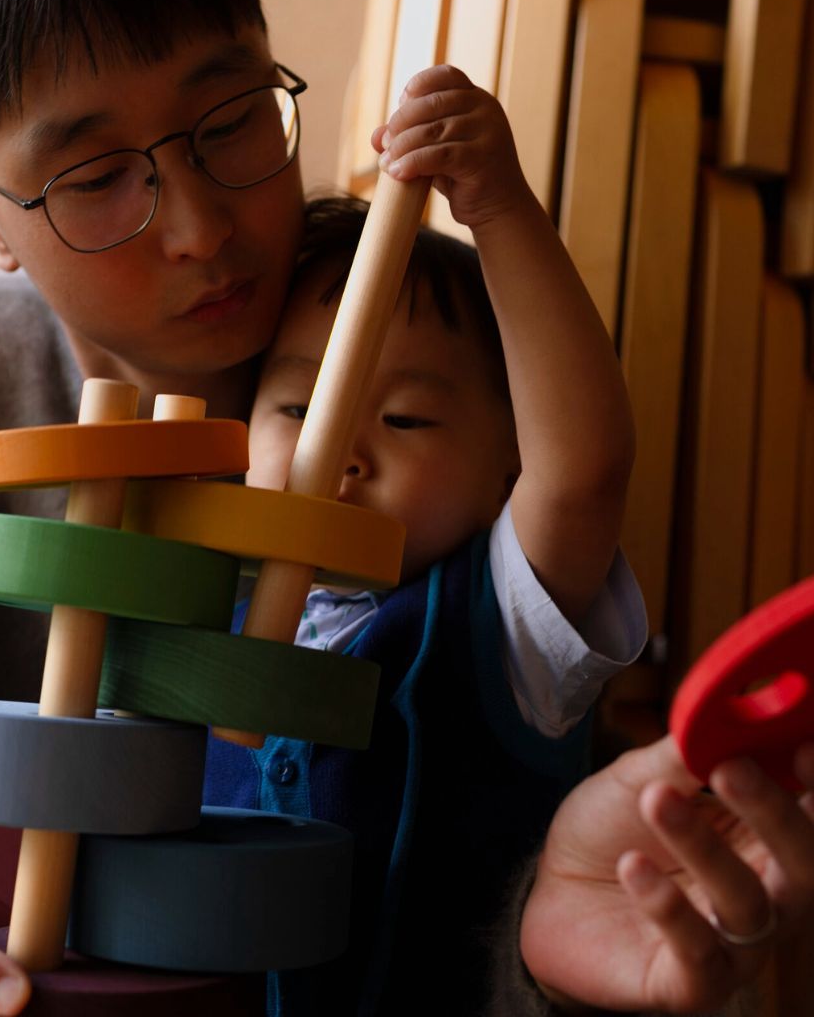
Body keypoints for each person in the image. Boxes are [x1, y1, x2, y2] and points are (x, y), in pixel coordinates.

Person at [0, 0, 808, 1015]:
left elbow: (490, 841)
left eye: (232, 120)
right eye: (98, 178)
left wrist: (526, 958)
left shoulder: (404, 359)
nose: (203, 231)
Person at [203, 194, 644, 1014]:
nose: (337, 450)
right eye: (297, 409)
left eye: (405, 418)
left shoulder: (507, 623)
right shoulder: (197, 611)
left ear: (508, 467)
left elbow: (585, 469)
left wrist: (498, 204)